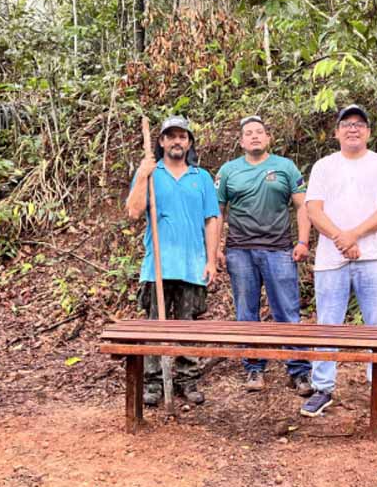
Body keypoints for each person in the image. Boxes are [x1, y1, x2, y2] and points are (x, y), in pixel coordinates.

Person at [300, 104, 377, 420]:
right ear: (336, 133)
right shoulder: (324, 166)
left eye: (359, 124)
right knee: (327, 325)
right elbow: (313, 209)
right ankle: (322, 388)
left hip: (374, 257)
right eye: (346, 124)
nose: (353, 129)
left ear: (368, 132)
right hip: (331, 260)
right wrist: (340, 238)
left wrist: (353, 235)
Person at [216, 115, 314, 396]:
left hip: (279, 249)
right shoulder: (228, 171)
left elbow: (302, 206)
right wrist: (216, 249)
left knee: (287, 311)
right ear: (241, 141)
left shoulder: (285, 167)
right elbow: (217, 212)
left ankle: (298, 370)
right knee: (246, 312)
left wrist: (303, 241)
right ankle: (254, 367)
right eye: (249, 133)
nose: (254, 136)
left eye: (259, 132)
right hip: (240, 250)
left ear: (268, 137)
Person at [126, 115, 220, 406]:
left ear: (189, 143)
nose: (177, 141)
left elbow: (212, 219)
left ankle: (187, 379)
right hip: (159, 265)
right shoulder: (151, 173)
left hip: (193, 265)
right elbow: (133, 212)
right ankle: (154, 382)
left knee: (188, 325)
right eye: (171, 136)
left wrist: (212, 260)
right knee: (156, 325)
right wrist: (143, 175)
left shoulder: (201, 177)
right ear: (162, 142)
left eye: (182, 136)